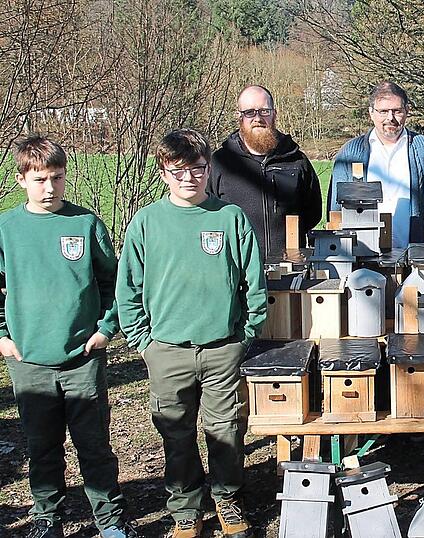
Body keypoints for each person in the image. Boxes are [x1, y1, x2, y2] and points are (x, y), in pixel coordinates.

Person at [117, 129, 267, 538]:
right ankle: (185, 507)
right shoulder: (147, 222)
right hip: (167, 350)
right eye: (179, 170)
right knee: (176, 433)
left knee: (226, 430)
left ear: (208, 169)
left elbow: (254, 284)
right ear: (164, 171)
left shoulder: (229, 217)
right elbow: (127, 288)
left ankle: (227, 498)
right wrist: (142, 342)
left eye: (197, 169)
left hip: (222, 348)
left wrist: (244, 333)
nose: (189, 178)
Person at [0, 137, 135, 538]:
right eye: (39, 179)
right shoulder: (7, 228)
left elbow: (114, 283)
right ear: (22, 179)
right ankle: (47, 518)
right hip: (29, 360)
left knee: (93, 445)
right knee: (42, 448)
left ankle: (109, 519)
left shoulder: (85, 223)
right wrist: (1, 336)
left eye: (57, 178)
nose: (49, 188)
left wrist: (106, 328)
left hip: (82, 356)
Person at [328, 81, 424, 246]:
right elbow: (335, 211)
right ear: (371, 113)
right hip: (364, 254)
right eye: (383, 111)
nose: (390, 118)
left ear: (407, 111)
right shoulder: (350, 153)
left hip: (418, 254)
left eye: (397, 111)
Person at [208, 85, 323, 258]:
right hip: (236, 267)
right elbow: (208, 215)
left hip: (289, 267)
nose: (258, 118)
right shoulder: (221, 163)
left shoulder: (296, 160)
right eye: (249, 112)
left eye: (264, 111)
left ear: (274, 114)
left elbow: (313, 213)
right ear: (238, 116)